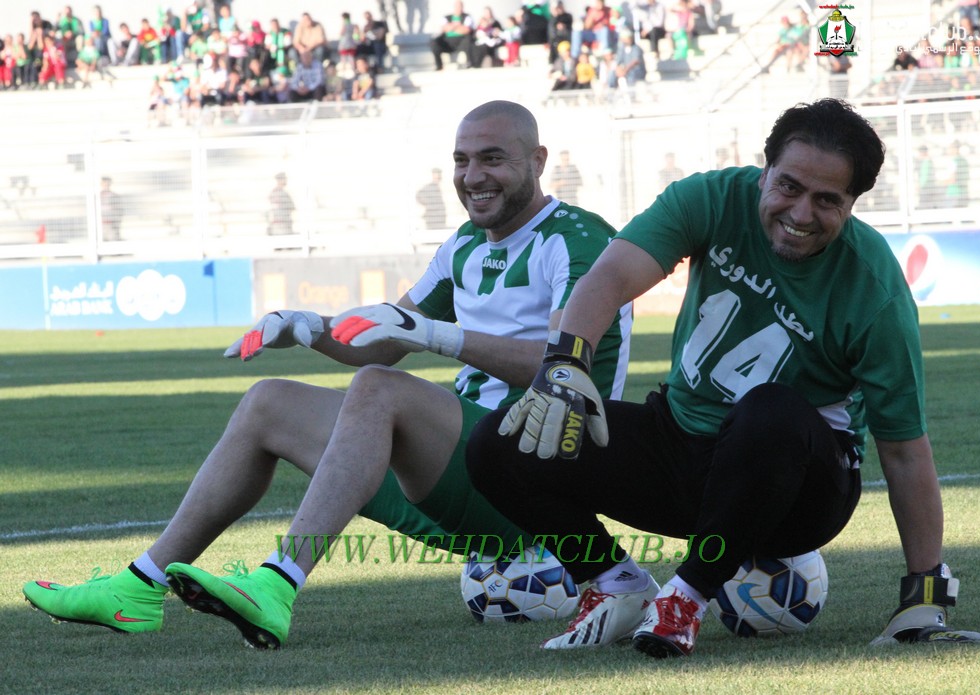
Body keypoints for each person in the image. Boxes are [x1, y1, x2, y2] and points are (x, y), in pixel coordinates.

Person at [22, 100, 633, 651]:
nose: (473, 176)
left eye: (493, 159)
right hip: (468, 478)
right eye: (462, 160)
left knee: (379, 392)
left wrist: (434, 335)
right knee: (267, 402)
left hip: (544, 476)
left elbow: (561, 365)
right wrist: (307, 327)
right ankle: (139, 587)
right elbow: (385, 341)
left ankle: (277, 583)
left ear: (538, 161)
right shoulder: (464, 246)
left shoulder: (579, 240)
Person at [466, 98, 980, 658]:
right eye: (789, 186)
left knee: (770, 408)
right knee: (495, 443)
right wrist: (565, 362)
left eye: (826, 200)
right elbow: (613, 273)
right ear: (764, 171)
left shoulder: (874, 287)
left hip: (797, 490)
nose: (801, 213)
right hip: (686, 447)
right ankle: (616, 584)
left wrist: (925, 594)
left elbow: (905, 450)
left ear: (852, 204)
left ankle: (685, 597)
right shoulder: (713, 198)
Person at [430, 0, 474, 70]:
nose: (458, 8)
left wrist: (452, 27)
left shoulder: (467, 17)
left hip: (462, 42)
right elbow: (444, 28)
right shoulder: (447, 17)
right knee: (434, 42)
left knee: (469, 40)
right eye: (457, 6)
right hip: (448, 42)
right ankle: (439, 66)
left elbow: (466, 30)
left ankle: (469, 63)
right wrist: (458, 26)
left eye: (460, 6)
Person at [99, 176, 124, 241]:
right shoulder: (97, 196)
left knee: (112, 241)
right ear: (101, 184)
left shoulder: (115, 196)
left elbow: (119, 211)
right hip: (100, 225)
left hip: (111, 225)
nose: (106, 185)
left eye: (107, 183)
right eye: (104, 183)